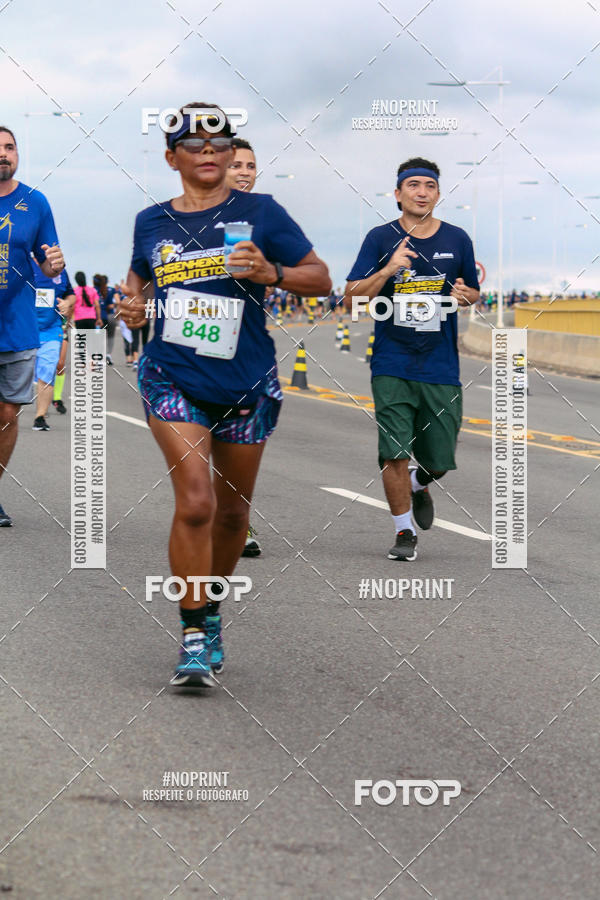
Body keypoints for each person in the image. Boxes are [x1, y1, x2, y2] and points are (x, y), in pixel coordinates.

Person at [119, 102, 331, 686]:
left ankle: (211, 610)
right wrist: (133, 303)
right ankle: (192, 635)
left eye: (220, 141)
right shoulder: (151, 221)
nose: (209, 150)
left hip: (246, 380)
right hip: (172, 374)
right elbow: (139, 277)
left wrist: (271, 273)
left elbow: (320, 278)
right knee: (196, 503)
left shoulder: (261, 212)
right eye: (194, 143)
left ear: (231, 153)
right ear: (173, 158)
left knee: (233, 511)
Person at [346, 157, 479, 561]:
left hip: (440, 365)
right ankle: (404, 532)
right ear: (398, 193)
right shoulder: (379, 238)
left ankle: (420, 483)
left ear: (437, 194)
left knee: (440, 459)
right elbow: (351, 298)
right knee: (394, 451)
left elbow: (473, 291)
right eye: (414, 185)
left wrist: (466, 295)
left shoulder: (457, 239)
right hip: (392, 362)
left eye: (429, 186)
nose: (422, 192)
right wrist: (387, 270)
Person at [0, 126, 65, 526]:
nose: (3, 154)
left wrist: (54, 265)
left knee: (7, 415)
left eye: (9, 147)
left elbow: (48, 264)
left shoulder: (35, 202)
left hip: (17, 327)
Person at [225, 136, 262, 558]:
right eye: (237, 165)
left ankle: (238, 520)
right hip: (193, 346)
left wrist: (271, 269)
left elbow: (310, 274)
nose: (245, 172)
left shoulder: (265, 218)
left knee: (239, 443)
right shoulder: (193, 215)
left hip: (245, 347)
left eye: (250, 166)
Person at [31, 260, 75, 431]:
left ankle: (40, 417)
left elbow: (70, 294)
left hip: (51, 330)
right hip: (23, 329)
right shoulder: (24, 264)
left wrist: (67, 303)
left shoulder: (60, 270)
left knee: (48, 371)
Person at [94, 274, 119, 364]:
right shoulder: (110, 290)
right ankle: (108, 354)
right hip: (110, 315)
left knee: (99, 337)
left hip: (98, 316)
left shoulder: (94, 290)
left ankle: (99, 356)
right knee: (111, 336)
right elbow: (117, 302)